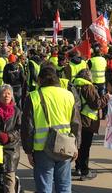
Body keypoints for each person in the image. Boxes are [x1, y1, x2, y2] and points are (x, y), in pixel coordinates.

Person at [21, 65, 81, 193]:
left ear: (40, 80)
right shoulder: (68, 95)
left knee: (44, 187)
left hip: (42, 148)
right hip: (65, 146)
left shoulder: (33, 97)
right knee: (64, 186)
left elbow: (27, 126)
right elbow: (76, 123)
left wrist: (28, 150)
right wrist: (76, 145)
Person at [72, 69, 110, 180]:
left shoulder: (74, 84)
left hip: (76, 119)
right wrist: (106, 98)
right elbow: (96, 104)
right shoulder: (87, 87)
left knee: (79, 145)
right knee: (85, 147)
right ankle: (85, 171)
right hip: (87, 121)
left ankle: (78, 168)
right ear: (88, 76)